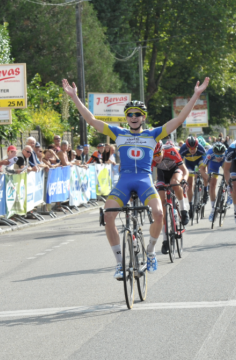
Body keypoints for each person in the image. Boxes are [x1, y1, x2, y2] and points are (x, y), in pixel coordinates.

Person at [63, 76, 209, 278]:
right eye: (130, 114)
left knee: (158, 214)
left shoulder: (152, 134)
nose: (133, 117)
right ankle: (119, 263)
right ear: (126, 117)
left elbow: (179, 120)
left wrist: (196, 94)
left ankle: (150, 251)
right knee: (108, 216)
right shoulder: (118, 133)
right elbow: (91, 120)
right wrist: (75, 97)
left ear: (143, 117)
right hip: (124, 181)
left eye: (137, 114)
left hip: (144, 181)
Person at [152, 141, 189, 254]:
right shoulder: (151, 158)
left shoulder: (171, 151)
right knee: (162, 206)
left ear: (163, 150)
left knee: (174, 183)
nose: (156, 158)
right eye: (154, 156)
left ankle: (183, 210)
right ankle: (165, 240)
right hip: (162, 174)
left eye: (158, 155)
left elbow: (184, 170)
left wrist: (184, 181)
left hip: (175, 171)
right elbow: (147, 175)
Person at [199, 142, 228, 222]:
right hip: (213, 165)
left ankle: (228, 190)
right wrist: (207, 177)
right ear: (214, 153)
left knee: (228, 174)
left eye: (221, 155)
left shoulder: (226, 153)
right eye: (217, 155)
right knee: (212, 185)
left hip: (223, 163)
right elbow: (201, 169)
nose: (219, 157)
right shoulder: (209, 154)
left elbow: (230, 169)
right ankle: (213, 208)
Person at [179, 136, 208, 209]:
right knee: (190, 184)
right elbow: (179, 162)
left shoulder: (201, 148)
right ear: (187, 147)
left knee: (203, 171)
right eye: (190, 148)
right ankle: (191, 204)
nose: (192, 150)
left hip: (199, 161)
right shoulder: (183, 148)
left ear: (197, 146)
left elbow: (206, 161)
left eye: (194, 148)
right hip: (189, 164)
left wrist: (203, 170)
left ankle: (205, 189)